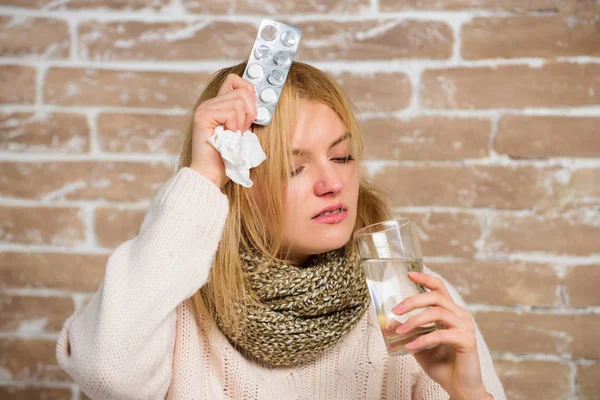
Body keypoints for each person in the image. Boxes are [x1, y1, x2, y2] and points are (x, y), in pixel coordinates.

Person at [56, 61, 506, 399]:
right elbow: (106, 371)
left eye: (343, 157)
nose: (333, 184)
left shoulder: (410, 304)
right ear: (237, 183)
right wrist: (201, 177)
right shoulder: (172, 309)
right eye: (294, 168)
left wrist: (467, 391)